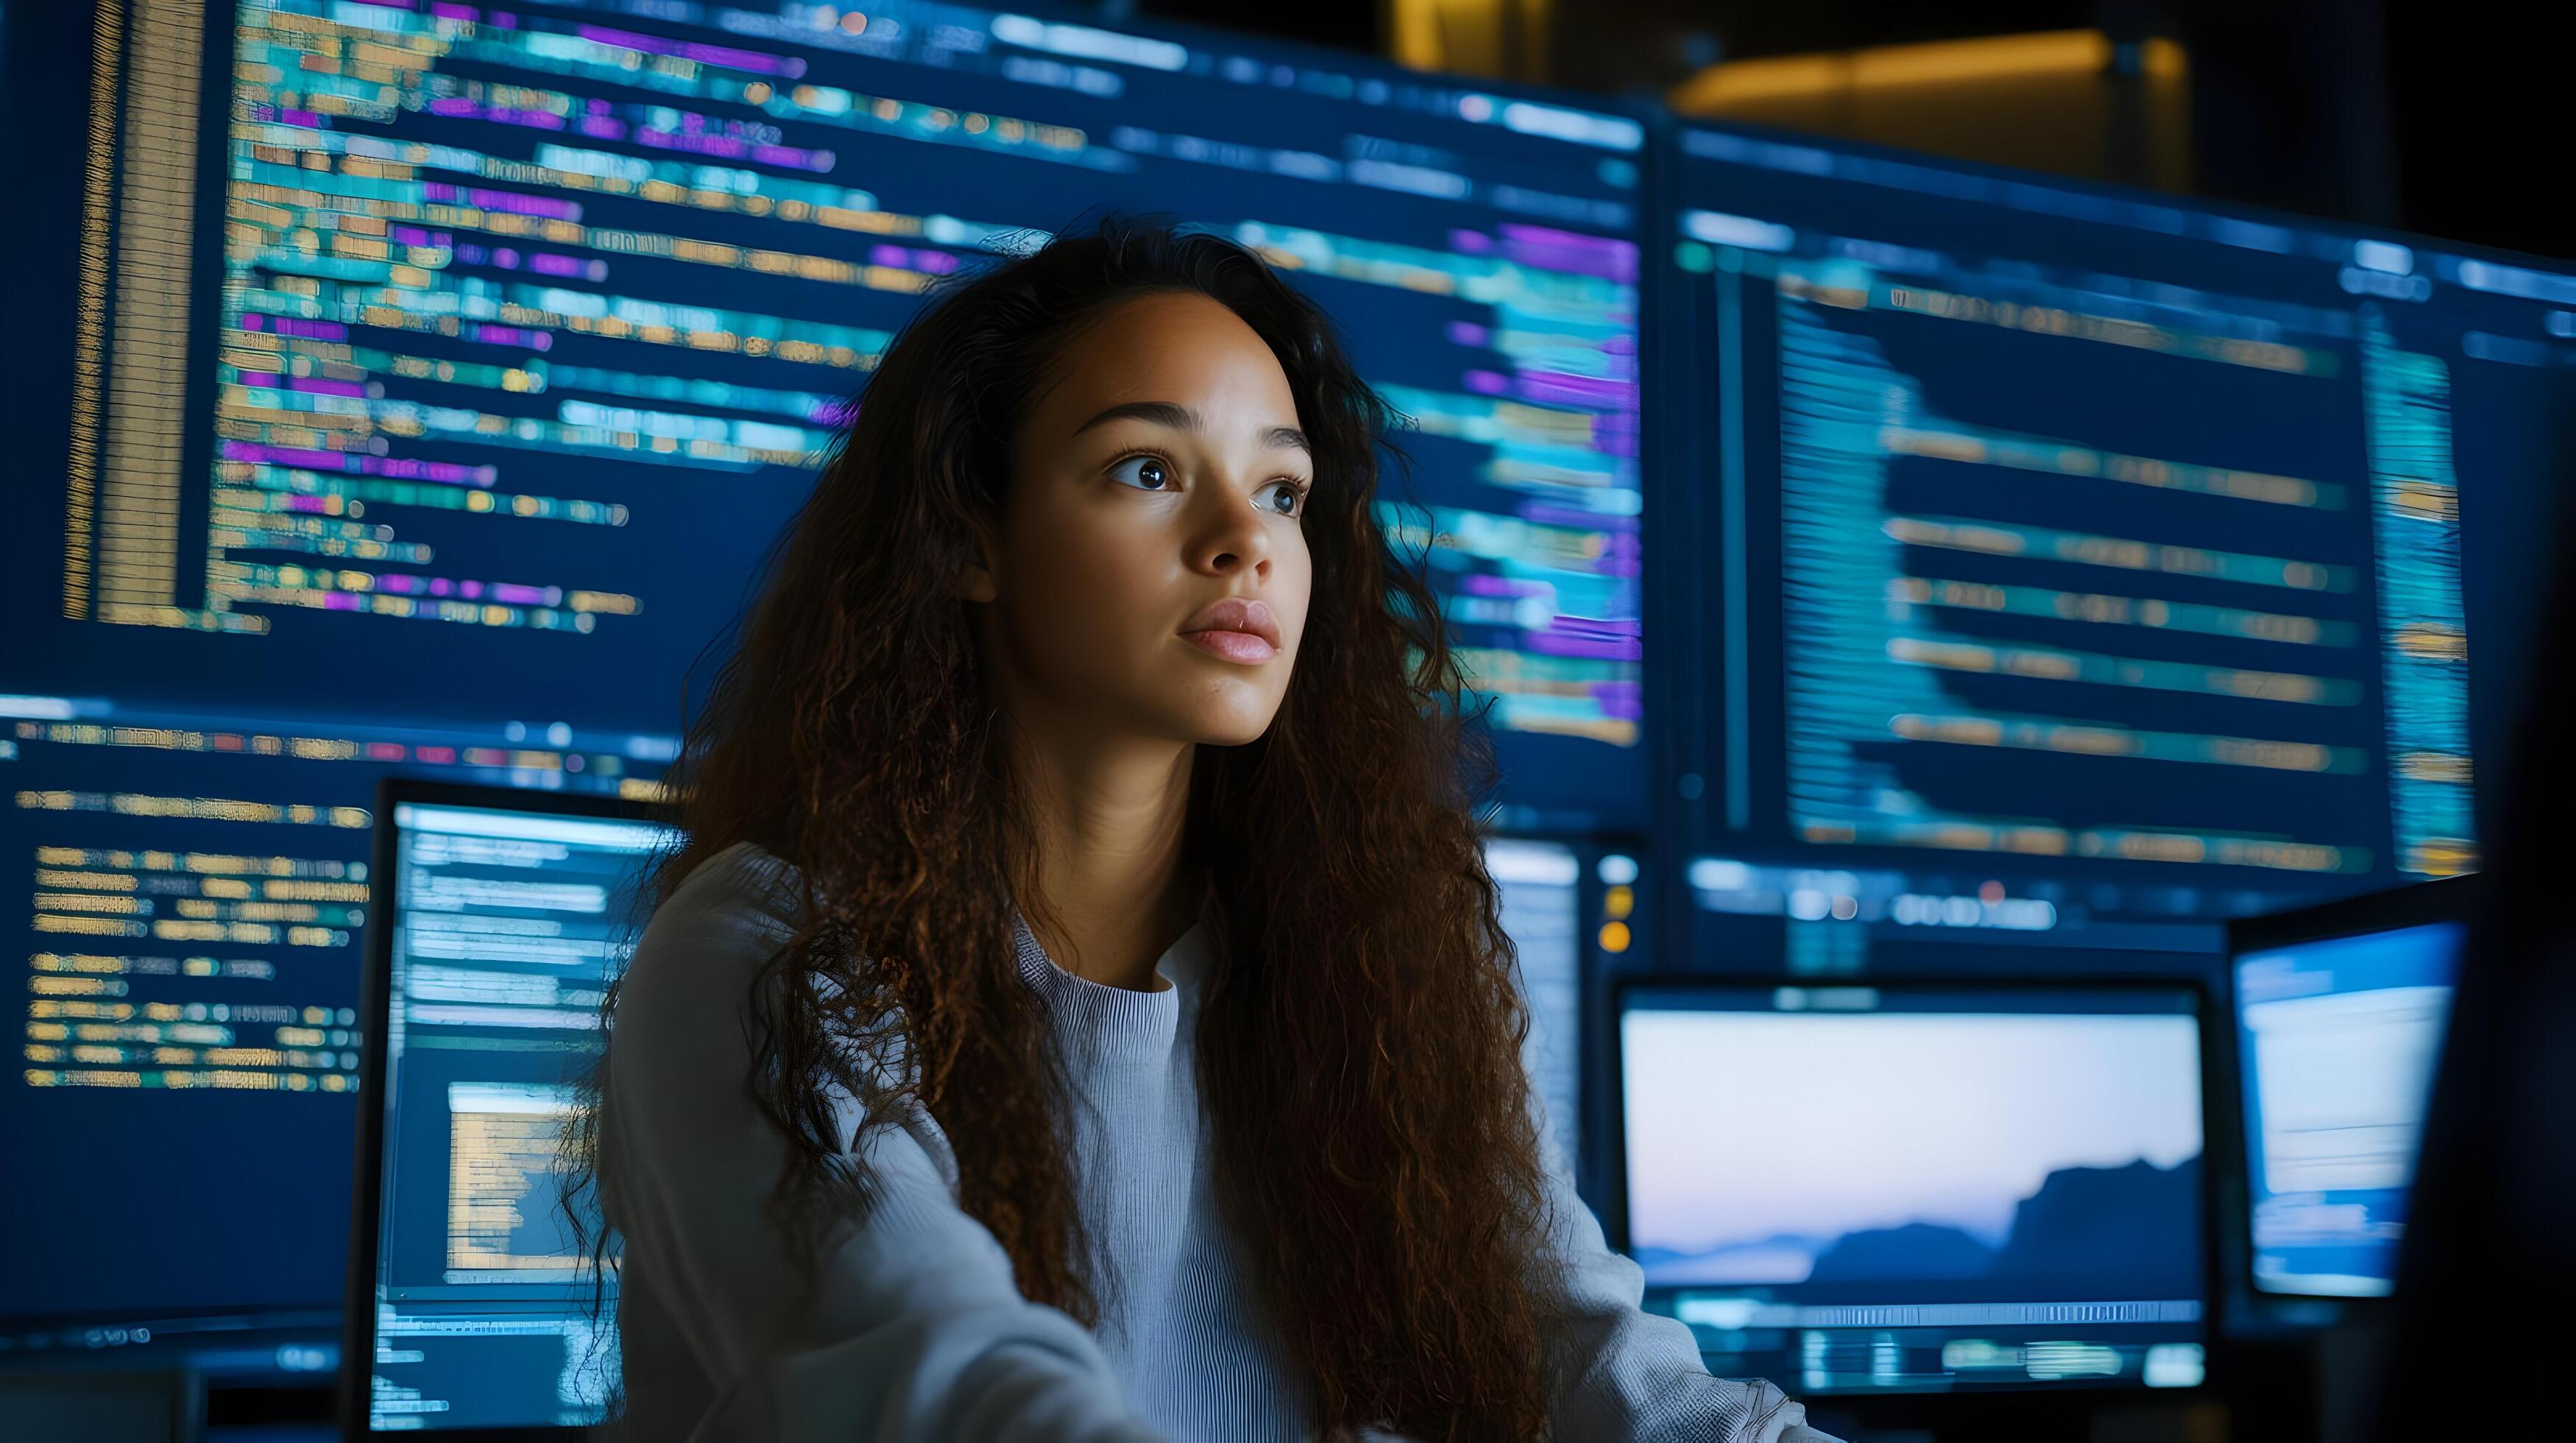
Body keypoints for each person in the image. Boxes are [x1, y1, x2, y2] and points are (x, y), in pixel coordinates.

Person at [575, 219, 1839, 1442]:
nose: (1246, 540)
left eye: (1282, 490)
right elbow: (952, 1391)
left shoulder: (1382, 958)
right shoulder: (768, 955)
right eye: (1150, 469)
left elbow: (1591, 1364)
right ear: (970, 533)